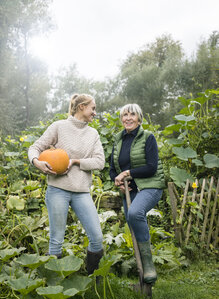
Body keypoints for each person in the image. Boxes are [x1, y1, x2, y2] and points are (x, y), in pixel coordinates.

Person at [28, 94, 105, 275]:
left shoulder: (93, 134)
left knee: (97, 237)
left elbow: (100, 162)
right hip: (57, 190)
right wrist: (36, 162)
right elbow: (35, 148)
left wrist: (76, 161)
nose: (95, 112)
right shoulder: (59, 127)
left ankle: (92, 279)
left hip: (81, 192)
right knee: (56, 240)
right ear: (81, 107)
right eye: (92, 108)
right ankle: (54, 282)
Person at [110, 104, 165, 284]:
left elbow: (151, 167)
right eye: (125, 115)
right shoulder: (118, 141)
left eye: (132, 114)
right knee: (131, 221)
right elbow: (112, 170)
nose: (128, 118)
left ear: (139, 118)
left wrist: (127, 174)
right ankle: (141, 272)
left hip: (150, 186)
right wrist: (118, 182)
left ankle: (148, 265)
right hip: (130, 189)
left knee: (135, 213)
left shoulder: (148, 137)